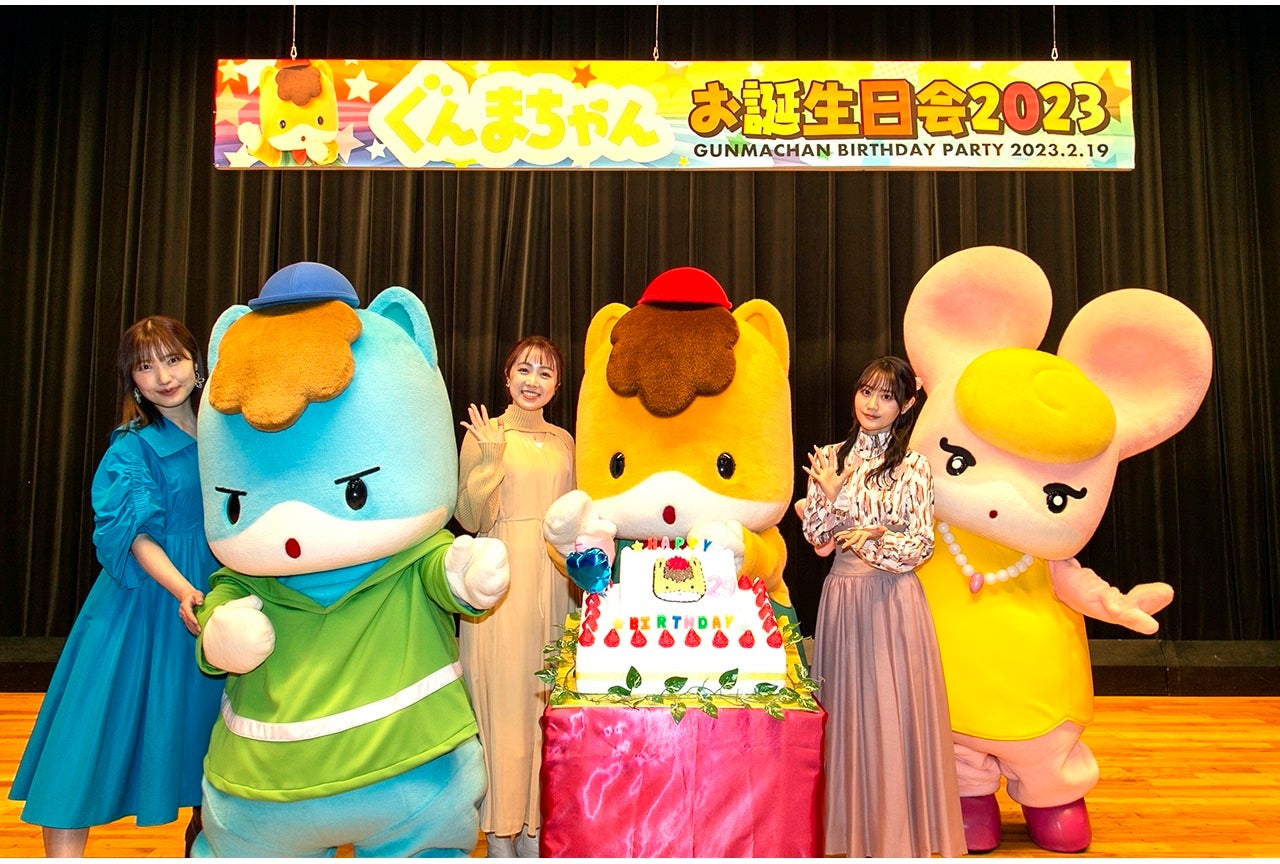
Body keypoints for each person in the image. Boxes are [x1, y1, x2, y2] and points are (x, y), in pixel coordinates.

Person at [8, 315, 226, 857]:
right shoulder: (132, 448)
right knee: (83, 751)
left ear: (196, 363)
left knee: (214, 751)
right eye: (146, 367)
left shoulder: (228, 434)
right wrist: (182, 590)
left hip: (219, 598)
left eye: (173, 359)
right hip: (143, 606)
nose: (164, 377)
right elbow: (135, 536)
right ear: (132, 381)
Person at [797, 355, 966, 858]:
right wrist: (832, 499)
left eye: (887, 396)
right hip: (842, 599)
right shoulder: (830, 457)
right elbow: (819, 540)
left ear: (907, 405)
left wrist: (862, 527)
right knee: (847, 713)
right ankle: (848, 832)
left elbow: (917, 546)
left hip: (893, 601)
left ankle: (898, 834)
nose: (872, 404)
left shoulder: (913, 467)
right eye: (866, 391)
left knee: (893, 713)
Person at [456, 336, 577, 859]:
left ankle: (534, 829)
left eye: (545, 373)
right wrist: (489, 459)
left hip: (556, 583)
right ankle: (500, 836)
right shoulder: (487, 433)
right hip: (502, 585)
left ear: (556, 385)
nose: (533, 381)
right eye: (524, 369)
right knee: (503, 711)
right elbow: (470, 518)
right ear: (507, 377)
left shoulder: (565, 441)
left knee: (544, 709)